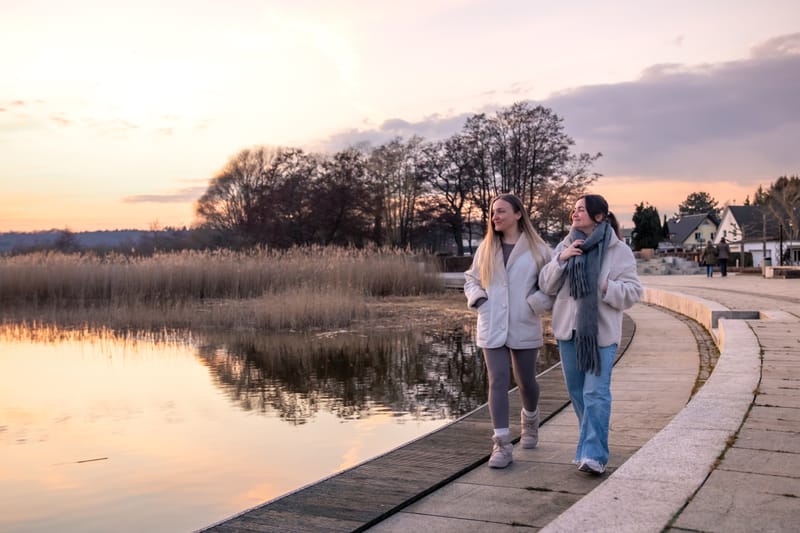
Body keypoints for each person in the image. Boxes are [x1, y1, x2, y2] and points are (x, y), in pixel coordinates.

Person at [538, 194, 643, 475]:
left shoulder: (618, 250)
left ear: (599, 216)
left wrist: (607, 286)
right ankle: (588, 443)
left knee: (595, 392)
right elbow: (546, 284)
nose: (575, 213)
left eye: (581, 209)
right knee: (577, 392)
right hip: (568, 331)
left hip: (601, 334)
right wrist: (561, 259)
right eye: (574, 209)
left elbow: (634, 292)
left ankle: (594, 454)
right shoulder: (566, 244)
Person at [464, 193, 554, 469]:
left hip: (523, 320)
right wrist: (479, 298)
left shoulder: (539, 250)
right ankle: (501, 445)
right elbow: (471, 278)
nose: (495, 217)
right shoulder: (486, 248)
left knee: (526, 381)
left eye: (501, 211)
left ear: (518, 214)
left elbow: (552, 287)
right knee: (497, 380)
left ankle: (530, 420)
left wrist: (534, 304)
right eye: (493, 213)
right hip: (492, 323)